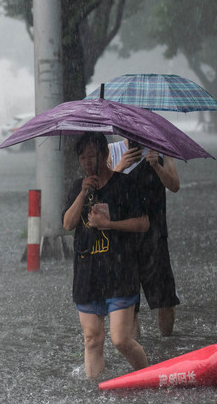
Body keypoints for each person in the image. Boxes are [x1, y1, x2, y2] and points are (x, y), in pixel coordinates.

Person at [63, 132, 150, 379]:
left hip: (120, 272)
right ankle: (96, 391)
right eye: (82, 158)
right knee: (92, 338)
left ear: (105, 154)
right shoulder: (77, 188)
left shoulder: (125, 184)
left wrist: (109, 225)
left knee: (121, 339)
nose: (87, 163)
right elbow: (68, 224)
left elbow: (144, 223)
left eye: (92, 156)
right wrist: (83, 194)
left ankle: (149, 379)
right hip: (87, 275)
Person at [109, 139, 180, 337]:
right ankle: (137, 351)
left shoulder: (162, 150)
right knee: (129, 306)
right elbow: (103, 193)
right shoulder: (112, 151)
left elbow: (175, 185)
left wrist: (156, 165)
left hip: (155, 237)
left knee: (165, 300)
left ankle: (167, 346)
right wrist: (120, 167)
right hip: (122, 240)